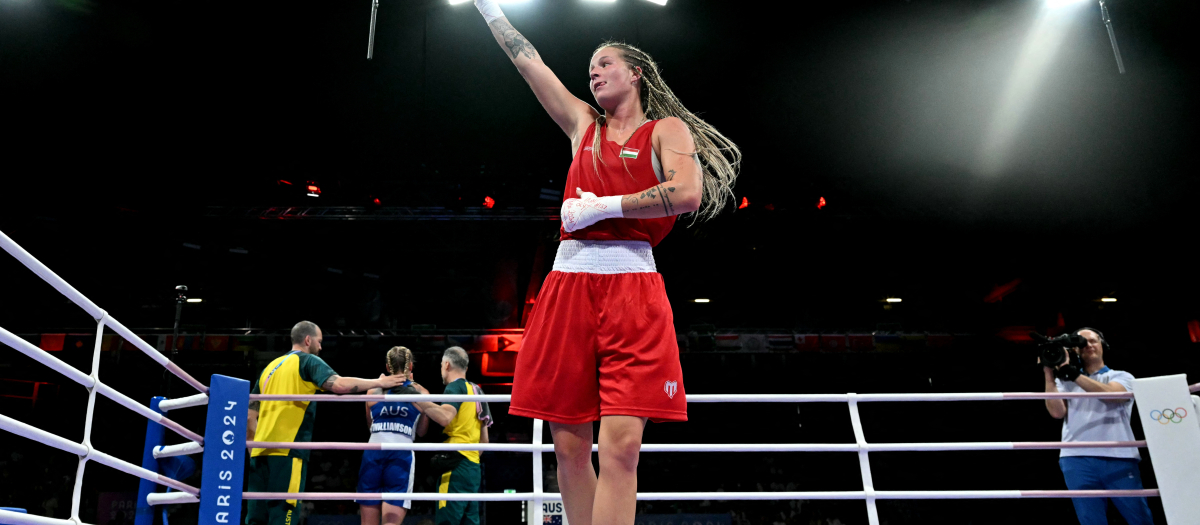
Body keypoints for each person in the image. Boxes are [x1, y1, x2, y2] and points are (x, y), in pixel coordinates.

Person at [465, 1, 741, 525]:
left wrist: (604, 207)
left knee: (621, 448)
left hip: (632, 285)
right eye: (589, 67)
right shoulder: (580, 127)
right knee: (567, 447)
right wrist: (488, 9)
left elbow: (685, 193)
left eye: (605, 63)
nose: (593, 72)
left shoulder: (667, 130)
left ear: (635, 73)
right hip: (568, 283)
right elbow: (529, 63)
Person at [245, 321, 407, 525]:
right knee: (283, 515)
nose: (321, 347)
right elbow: (339, 385)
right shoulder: (307, 361)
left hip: (260, 453)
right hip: (287, 451)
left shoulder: (270, 367)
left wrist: (253, 446)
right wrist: (379, 382)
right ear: (307, 340)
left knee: (255, 518)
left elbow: (250, 414)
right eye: (319, 341)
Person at [1042, 327, 1154, 525]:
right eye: (1082, 343)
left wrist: (1072, 373)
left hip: (1119, 456)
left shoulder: (1122, 376)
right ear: (1075, 350)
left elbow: (1111, 396)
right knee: (1090, 520)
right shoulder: (1065, 382)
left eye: (1093, 341)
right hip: (1076, 458)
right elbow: (1056, 412)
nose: (1089, 345)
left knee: (1139, 518)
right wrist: (1049, 374)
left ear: (1103, 345)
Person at [410, 347, 489, 525]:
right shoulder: (477, 391)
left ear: (446, 365)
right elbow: (485, 440)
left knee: (447, 521)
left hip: (455, 465)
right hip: (473, 468)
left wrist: (417, 397)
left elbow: (445, 417)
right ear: (466, 368)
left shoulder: (454, 387)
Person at [357, 347, 423, 525]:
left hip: (373, 453)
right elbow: (422, 431)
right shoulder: (421, 393)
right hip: (400, 456)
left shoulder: (372, 391)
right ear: (410, 366)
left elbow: (371, 427)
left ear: (387, 367)